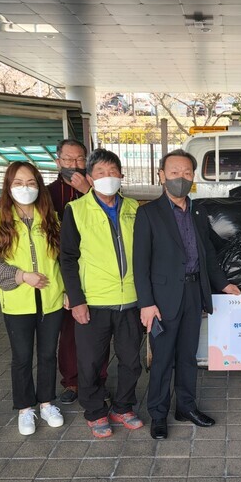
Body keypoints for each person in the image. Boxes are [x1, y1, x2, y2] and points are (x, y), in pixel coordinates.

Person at [133, 149, 240, 440]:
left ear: (193, 177)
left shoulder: (198, 210)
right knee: (163, 358)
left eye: (187, 173)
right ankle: (158, 413)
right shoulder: (148, 214)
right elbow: (140, 264)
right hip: (163, 298)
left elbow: (207, 254)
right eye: (174, 172)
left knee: (188, 357)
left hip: (194, 293)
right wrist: (146, 303)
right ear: (161, 176)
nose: (181, 177)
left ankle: (186, 407)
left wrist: (223, 284)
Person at [60, 148, 144, 438]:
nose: (108, 178)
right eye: (100, 173)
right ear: (89, 177)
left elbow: (147, 255)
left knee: (132, 360)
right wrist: (77, 300)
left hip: (131, 301)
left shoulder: (135, 208)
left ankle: (123, 406)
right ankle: (95, 411)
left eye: (112, 172)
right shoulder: (77, 210)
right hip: (93, 302)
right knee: (91, 362)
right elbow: (67, 259)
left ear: (121, 176)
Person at [0, 162, 65, 435]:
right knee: (22, 357)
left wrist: (68, 290)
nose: (25, 188)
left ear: (39, 185)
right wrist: (22, 276)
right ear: (8, 186)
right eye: (18, 182)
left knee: (49, 355)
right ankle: (25, 408)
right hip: (17, 301)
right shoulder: (1, 219)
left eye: (30, 182)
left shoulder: (50, 217)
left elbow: (64, 259)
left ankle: (47, 402)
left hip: (51, 300)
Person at [47, 138, 109, 405]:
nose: (74, 165)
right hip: (63, 274)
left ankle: (98, 382)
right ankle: (72, 382)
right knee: (69, 332)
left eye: (80, 159)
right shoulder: (47, 193)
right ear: (58, 161)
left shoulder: (100, 189)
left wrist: (87, 192)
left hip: (97, 273)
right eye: (68, 160)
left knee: (98, 331)